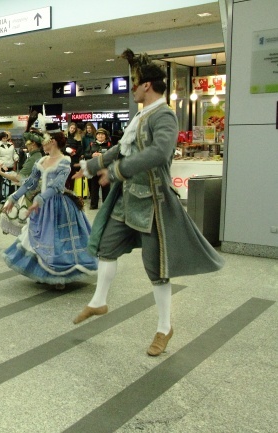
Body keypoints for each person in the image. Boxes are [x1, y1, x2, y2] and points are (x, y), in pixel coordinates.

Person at [71, 49, 225, 356]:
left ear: (148, 86)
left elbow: (157, 153)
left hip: (153, 203)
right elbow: (121, 148)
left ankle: (164, 327)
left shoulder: (164, 115)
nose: (132, 87)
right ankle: (99, 301)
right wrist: (90, 165)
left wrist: (115, 171)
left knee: (157, 268)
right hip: (128, 200)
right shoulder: (141, 116)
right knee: (105, 247)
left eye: (135, 82)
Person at [1, 130, 97, 289]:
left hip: (58, 205)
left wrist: (40, 200)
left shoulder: (64, 161)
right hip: (41, 205)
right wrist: (14, 198)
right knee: (37, 238)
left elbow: (57, 186)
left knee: (55, 239)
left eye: (44, 141)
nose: (42, 145)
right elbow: (30, 182)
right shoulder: (42, 160)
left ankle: (59, 276)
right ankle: (42, 271)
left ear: (52, 142)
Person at [0, 130, 44, 236]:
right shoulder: (36, 156)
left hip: (32, 193)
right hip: (36, 192)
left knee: (22, 219)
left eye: (27, 143)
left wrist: (2, 173)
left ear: (33, 144)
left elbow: (19, 178)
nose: (26, 145)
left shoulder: (34, 158)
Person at [85, 128, 112, 210]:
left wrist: (103, 156)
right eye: (98, 134)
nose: (100, 136)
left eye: (102, 134)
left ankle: (106, 206)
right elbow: (85, 154)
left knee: (106, 189)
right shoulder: (91, 144)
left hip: (105, 170)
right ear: (96, 136)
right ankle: (93, 205)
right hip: (94, 170)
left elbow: (113, 155)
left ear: (105, 136)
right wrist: (92, 155)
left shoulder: (109, 145)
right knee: (94, 189)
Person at [0, 131, 19, 204]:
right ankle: (2, 198)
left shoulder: (11, 145)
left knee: (11, 182)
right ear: (0, 138)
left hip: (10, 165)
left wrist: (16, 157)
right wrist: (2, 165)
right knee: (3, 183)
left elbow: (14, 153)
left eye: (6, 138)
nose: (5, 139)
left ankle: (10, 197)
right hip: (2, 167)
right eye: (3, 138)